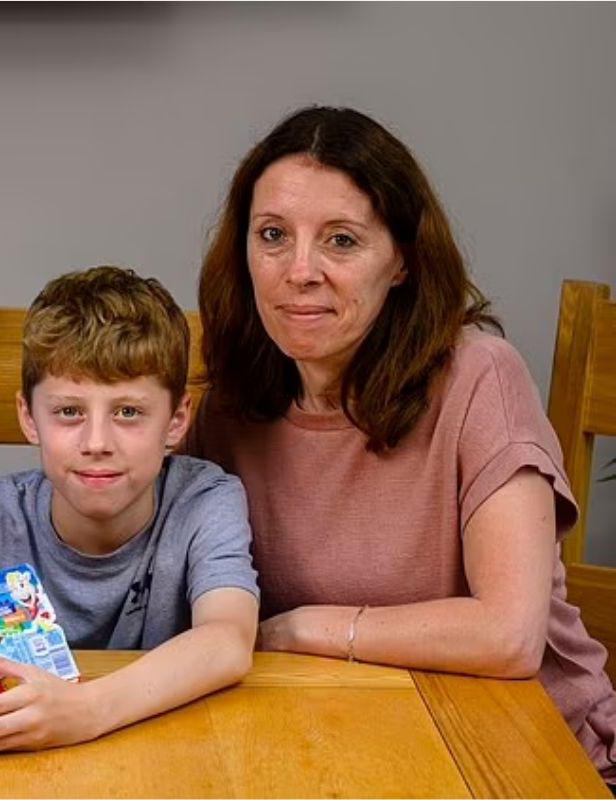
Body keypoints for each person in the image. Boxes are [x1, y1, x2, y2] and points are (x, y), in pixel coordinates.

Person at [185, 105, 616, 782]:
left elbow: (508, 635)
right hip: (337, 751)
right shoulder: (229, 408)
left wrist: (295, 630)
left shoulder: (480, 377)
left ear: (403, 264)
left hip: (524, 758)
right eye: (273, 235)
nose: (300, 270)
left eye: (342, 241)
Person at [0, 266, 259, 752]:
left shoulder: (204, 502)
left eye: (128, 412)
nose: (96, 443)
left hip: (171, 753)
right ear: (30, 418)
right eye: (69, 412)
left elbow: (228, 641)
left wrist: (86, 711)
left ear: (176, 422)